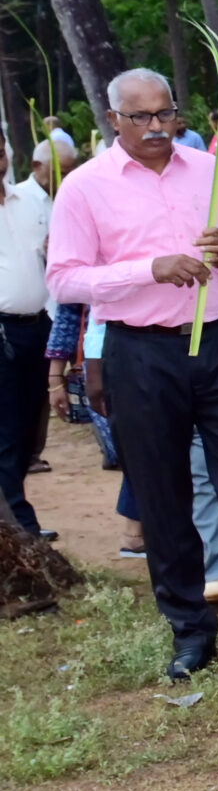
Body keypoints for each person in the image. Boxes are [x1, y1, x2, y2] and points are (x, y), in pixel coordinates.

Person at [44, 68, 218, 678]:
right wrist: (149, 269)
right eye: (140, 117)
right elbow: (64, 279)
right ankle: (190, 628)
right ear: (113, 119)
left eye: (165, 113)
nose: (157, 127)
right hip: (140, 350)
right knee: (163, 491)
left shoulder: (211, 172)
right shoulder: (85, 187)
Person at [0, 132, 52, 537]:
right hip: (2, 330)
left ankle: (14, 518)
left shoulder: (30, 200)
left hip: (37, 326)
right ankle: (20, 523)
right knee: (6, 426)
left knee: (28, 427)